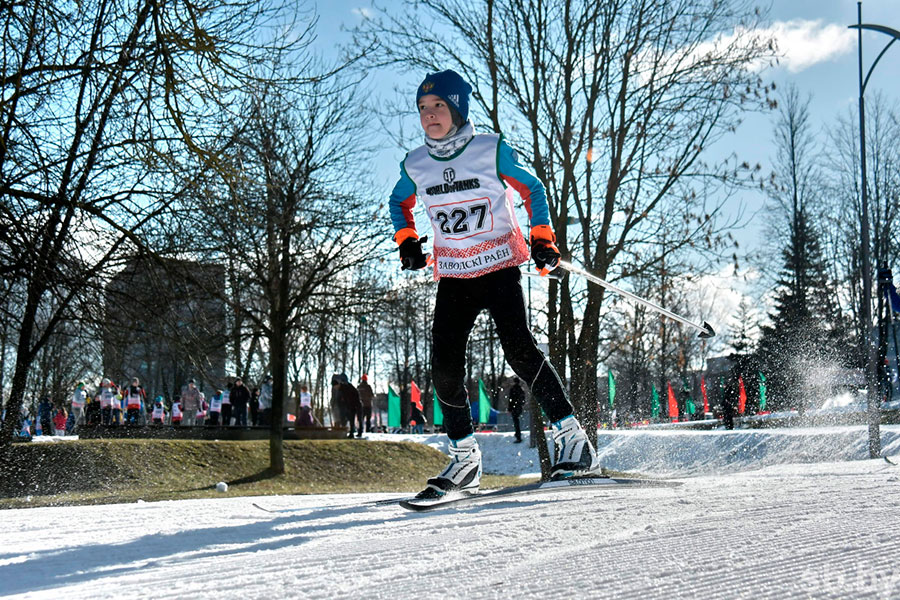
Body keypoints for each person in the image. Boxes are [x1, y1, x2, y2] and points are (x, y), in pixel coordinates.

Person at [388, 70, 599, 499]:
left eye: (439, 107)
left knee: (518, 349)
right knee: (443, 366)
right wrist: (407, 240)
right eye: (424, 109)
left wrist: (542, 237)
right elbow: (398, 202)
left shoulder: (489, 149)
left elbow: (532, 188)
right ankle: (464, 457)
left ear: (458, 109)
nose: (430, 115)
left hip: (499, 264)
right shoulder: (416, 164)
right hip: (454, 275)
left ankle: (573, 439)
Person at [507, 378, 526, 443]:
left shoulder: (513, 389)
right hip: (519, 407)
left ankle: (518, 435)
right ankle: (518, 434)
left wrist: (510, 408)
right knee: (517, 421)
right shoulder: (521, 389)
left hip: (514, 408)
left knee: (516, 421)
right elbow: (523, 400)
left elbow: (511, 399)